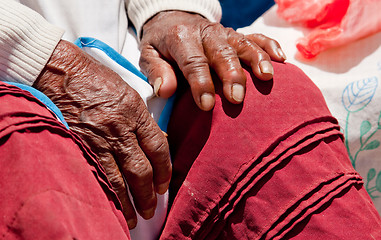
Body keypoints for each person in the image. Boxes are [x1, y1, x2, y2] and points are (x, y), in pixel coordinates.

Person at [0, 0, 380, 239]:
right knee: (28, 170)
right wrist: (35, 57)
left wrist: (171, 9)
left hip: (134, 51)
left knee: (266, 98)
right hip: (15, 85)